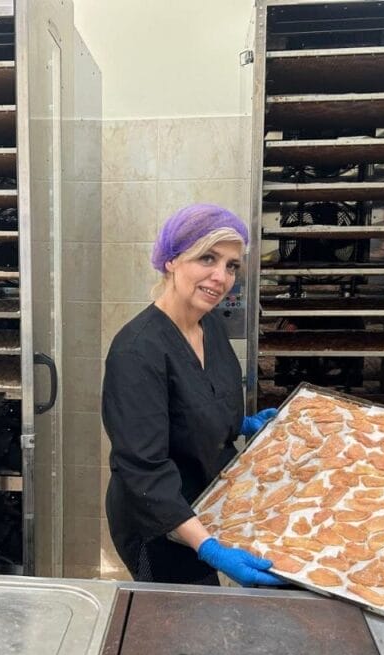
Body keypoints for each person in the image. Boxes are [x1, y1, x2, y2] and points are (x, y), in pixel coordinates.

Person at [102, 203, 284, 587]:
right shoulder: (137, 351)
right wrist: (209, 549)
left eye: (231, 265)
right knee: (175, 627)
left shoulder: (211, 327)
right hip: (158, 523)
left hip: (207, 500)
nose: (221, 277)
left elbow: (205, 404)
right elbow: (143, 469)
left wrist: (244, 424)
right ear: (171, 260)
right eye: (207, 258)